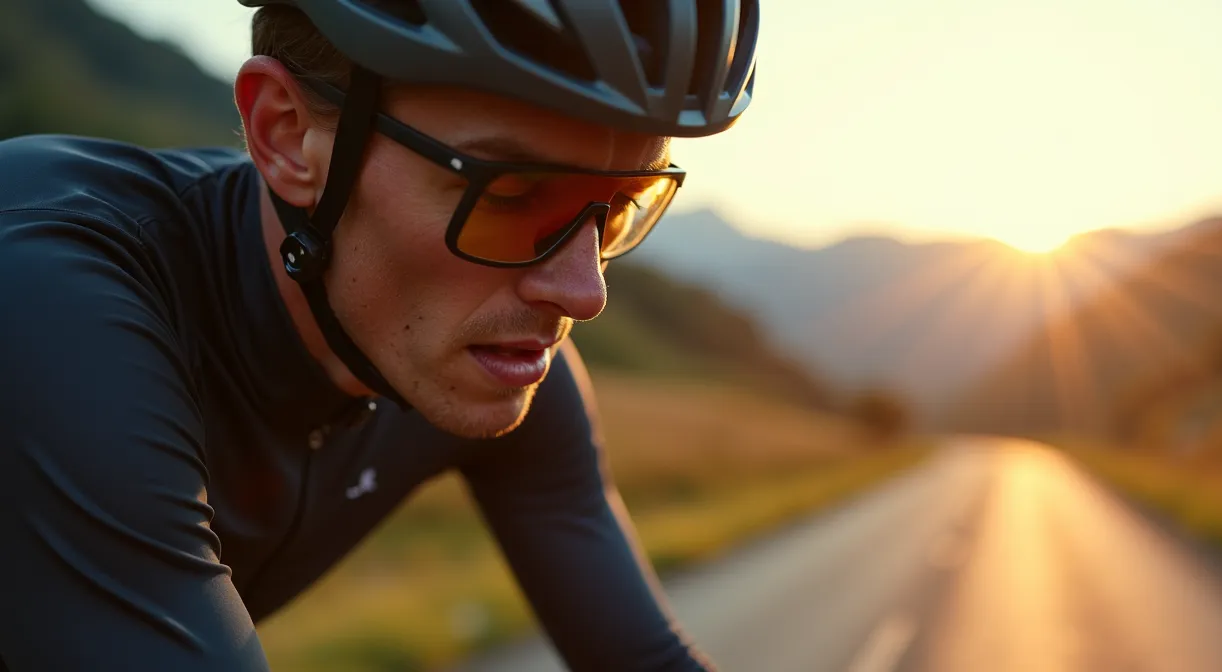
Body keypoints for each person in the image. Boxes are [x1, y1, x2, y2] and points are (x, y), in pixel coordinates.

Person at [0, 0, 758, 669]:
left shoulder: (492, 355)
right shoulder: (49, 291)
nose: (584, 293)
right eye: (513, 192)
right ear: (288, 135)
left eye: (620, 206)